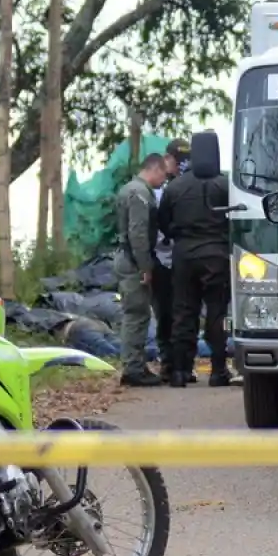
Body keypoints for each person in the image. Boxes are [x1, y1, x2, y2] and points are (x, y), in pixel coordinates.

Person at [158, 132, 235, 388]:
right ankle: (218, 370)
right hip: (217, 254)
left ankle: (180, 371)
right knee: (216, 313)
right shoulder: (226, 185)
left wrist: (179, 236)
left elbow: (163, 222)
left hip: (184, 255)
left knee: (183, 312)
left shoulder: (174, 187)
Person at [114, 153, 169, 387]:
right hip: (133, 261)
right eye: (163, 175)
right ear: (155, 169)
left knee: (137, 314)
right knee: (136, 314)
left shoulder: (130, 189)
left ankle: (135, 365)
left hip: (127, 258)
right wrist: (145, 266)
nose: (164, 181)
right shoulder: (140, 194)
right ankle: (133, 369)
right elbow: (137, 233)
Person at [152, 139, 197, 384]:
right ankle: (172, 364)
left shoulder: (169, 190)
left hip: (175, 260)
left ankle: (179, 366)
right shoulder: (160, 189)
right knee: (171, 315)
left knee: (178, 315)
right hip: (167, 260)